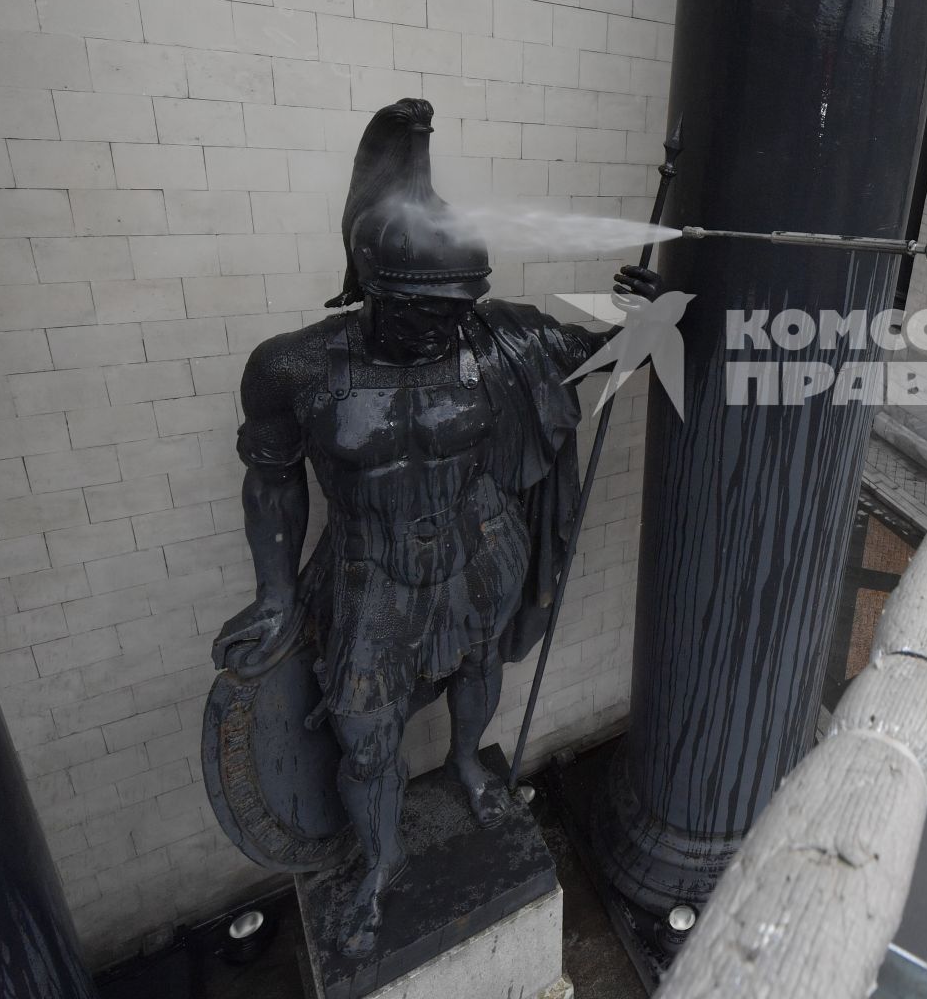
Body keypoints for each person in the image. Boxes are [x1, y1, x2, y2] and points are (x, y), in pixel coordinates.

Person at [210, 99, 660, 957]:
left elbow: (601, 354)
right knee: (364, 733)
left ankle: (465, 763)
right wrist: (272, 594)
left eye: (461, 306)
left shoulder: (495, 342)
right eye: (427, 312)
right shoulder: (293, 368)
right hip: (368, 573)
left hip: (480, 545)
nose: (449, 326)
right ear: (372, 289)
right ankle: (378, 866)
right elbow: (269, 483)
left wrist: (631, 316)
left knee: (481, 662)